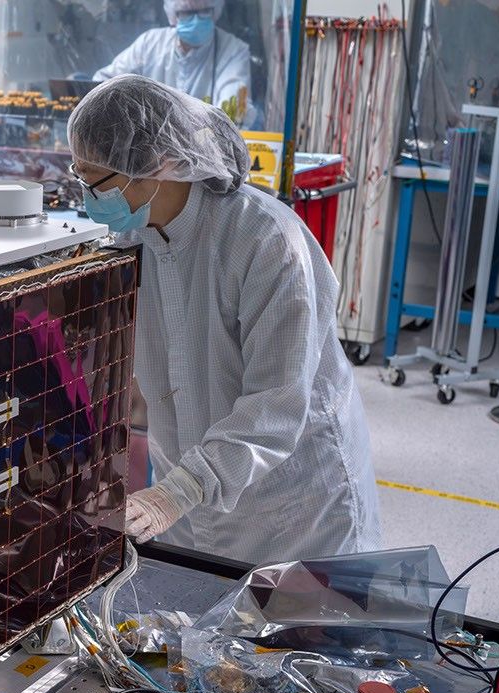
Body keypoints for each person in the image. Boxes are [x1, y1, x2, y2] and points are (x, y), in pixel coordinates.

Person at [67, 75, 380, 565]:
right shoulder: (135, 240)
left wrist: (178, 492)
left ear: (160, 164)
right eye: (79, 178)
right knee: (189, 629)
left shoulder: (265, 241)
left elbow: (275, 406)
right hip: (185, 495)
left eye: (98, 182)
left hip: (293, 504)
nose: (89, 198)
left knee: (293, 635)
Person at [93, 0, 250, 113]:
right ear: (173, 16)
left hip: (206, 148)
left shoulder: (233, 50)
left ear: (215, 11)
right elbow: (106, 82)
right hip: (147, 145)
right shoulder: (150, 43)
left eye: (204, 11)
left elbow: (232, 108)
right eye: (187, 12)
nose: (196, 19)